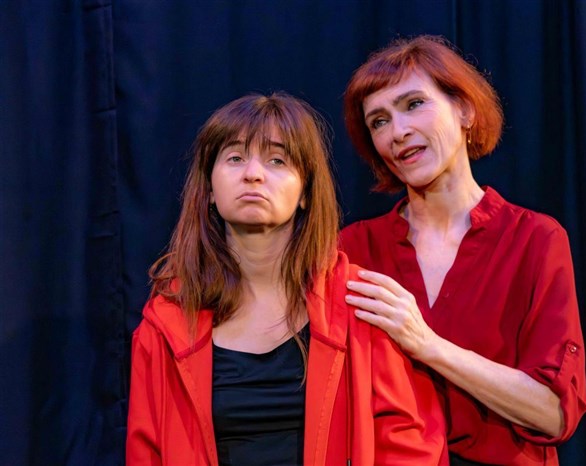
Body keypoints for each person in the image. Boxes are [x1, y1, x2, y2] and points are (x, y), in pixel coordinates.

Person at [126, 92, 448, 466]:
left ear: (305, 192)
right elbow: (145, 453)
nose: (253, 173)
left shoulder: (360, 302)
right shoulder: (165, 322)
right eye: (235, 158)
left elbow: (408, 445)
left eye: (277, 160)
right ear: (210, 189)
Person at [340, 35, 586, 466]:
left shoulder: (535, 239)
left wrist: (428, 344)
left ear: (465, 110)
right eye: (379, 121)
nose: (398, 132)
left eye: (414, 104)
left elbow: (553, 414)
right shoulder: (354, 248)